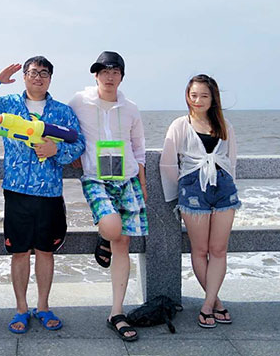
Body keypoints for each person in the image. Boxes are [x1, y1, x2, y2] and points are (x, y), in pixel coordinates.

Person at [0, 57, 85, 334]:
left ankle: (43, 306)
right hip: (16, 191)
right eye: (33, 72)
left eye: (44, 73)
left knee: (46, 251)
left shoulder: (62, 112)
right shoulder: (9, 104)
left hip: (49, 193)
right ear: (24, 76)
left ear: (50, 79)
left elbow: (79, 143)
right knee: (19, 252)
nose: (38, 77)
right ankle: (21, 309)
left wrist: (57, 151)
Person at [68, 51, 148, 342]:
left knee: (123, 243)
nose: (109, 77)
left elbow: (139, 148)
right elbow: (65, 129)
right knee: (114, 230)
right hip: (96, 178)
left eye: (114, 72)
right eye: (104, 71)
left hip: (126, 178)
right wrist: (73, 153)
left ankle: (116, 312)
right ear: (96, 75)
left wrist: (143, 183)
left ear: (122, 77)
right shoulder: (79, 101)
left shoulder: (131, 108)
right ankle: (104, 235)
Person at [159, 74, 241, 328]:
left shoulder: (224, 125)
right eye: (193, 95)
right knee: (200, 250)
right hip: (193, 189)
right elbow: (168, 163)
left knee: (219, 249)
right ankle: (215, 303)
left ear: (213, 98)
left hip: (224, 188)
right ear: (187, 96)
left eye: (204, 95)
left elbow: (231, 160)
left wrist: (229, 184)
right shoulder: (180, 125)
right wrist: (179, 192)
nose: (198, 100)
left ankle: (207, 305)